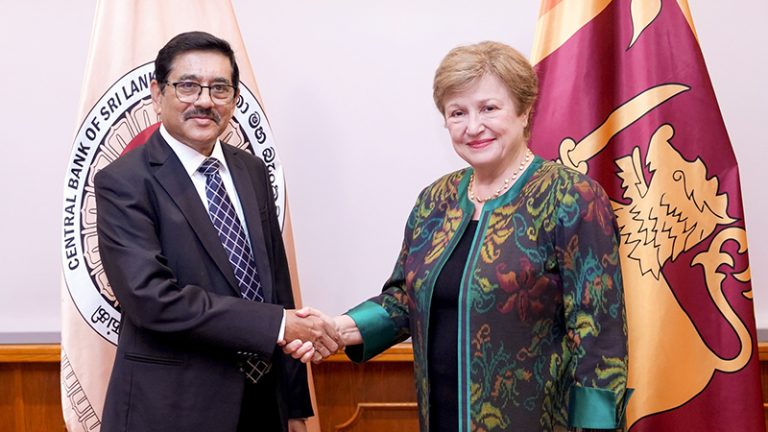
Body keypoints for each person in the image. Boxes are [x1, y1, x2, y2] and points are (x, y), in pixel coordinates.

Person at [287, 41, 630, 431]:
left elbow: (599, 336)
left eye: (488, 108)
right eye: (457, 113)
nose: (473, 127)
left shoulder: (571, 198)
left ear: (523, 111)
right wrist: (336, 328)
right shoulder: (436, 201)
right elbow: (404, 299)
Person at [95, 31, 339, 432]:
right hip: (172, 409)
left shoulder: (251, 171)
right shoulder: (123, 181)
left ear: (235, 99)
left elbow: (276, 285)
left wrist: (295, 405)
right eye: (188, 86)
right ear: (158, 94)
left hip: (263, 405)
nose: (204, 101)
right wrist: (278, 325)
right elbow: (151, 299)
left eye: (219, 88)